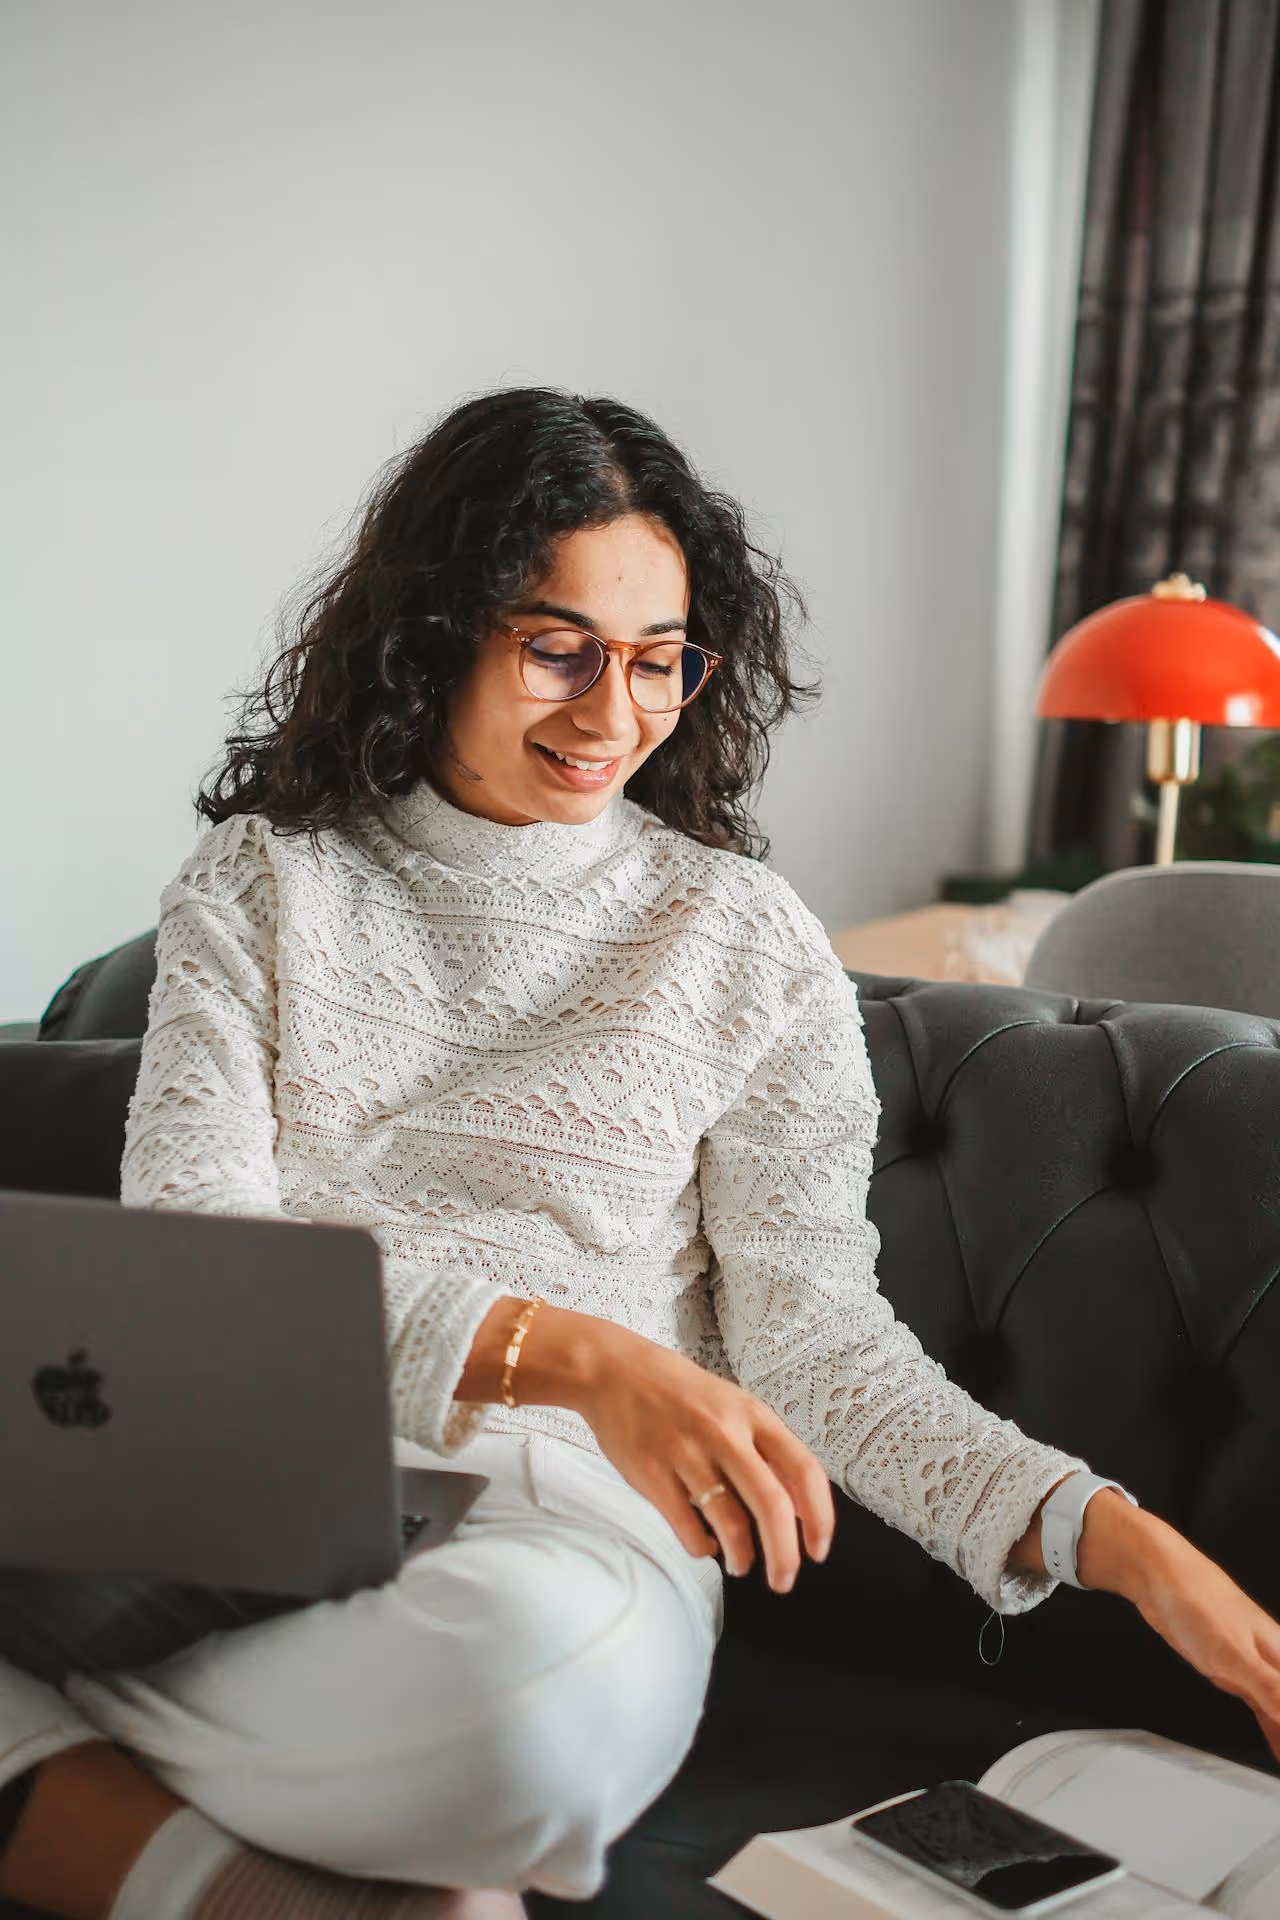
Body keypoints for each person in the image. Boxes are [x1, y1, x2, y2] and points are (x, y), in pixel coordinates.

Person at [2, 387, 1279, 1920]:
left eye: (660, 660)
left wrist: (1124, 1544)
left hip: (564, 1535)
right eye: (558, 648)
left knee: (532, 1714)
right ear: (436, 628)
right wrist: (581, 1357)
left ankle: (107, 1810)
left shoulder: (742, 939)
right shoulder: (266, 880)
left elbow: (820, 1350)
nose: (613, 712)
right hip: (256, 1475)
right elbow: (200, 1249)